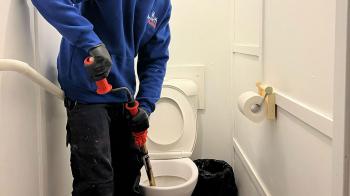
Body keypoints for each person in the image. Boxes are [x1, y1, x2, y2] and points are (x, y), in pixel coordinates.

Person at [31, 0, 171, 195]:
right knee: (97, 186)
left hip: (124, 96)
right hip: (87, 93)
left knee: (129, 176)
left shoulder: (161, 5)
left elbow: (155, 60)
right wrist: (91, 42)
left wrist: (145, 107)